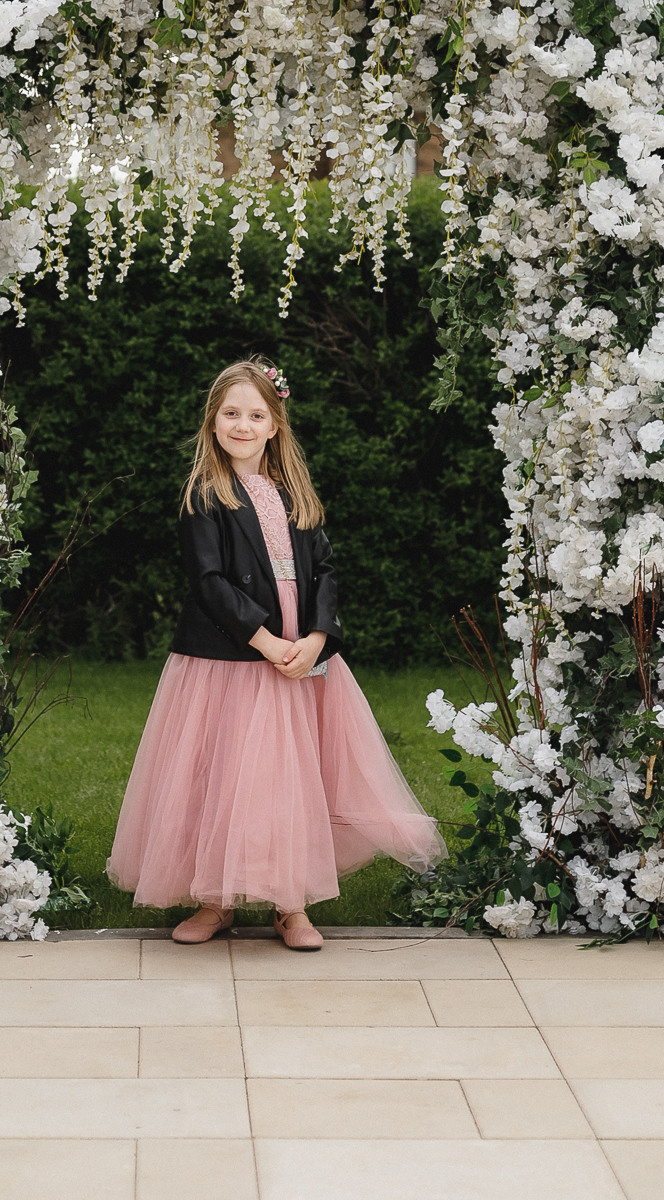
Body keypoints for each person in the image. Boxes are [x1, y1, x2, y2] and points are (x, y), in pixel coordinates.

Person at [107, 357, 446, 950]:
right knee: (224, 775)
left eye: (256, 415)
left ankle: (291, 905)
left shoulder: (296, 495)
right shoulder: (203, 496)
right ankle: (216, 900)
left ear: (275, 425)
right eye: (230, 413)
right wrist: (264, 640)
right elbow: (209, 581)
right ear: (212, 422)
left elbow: (325, 571)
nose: (243, 425)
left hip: (298, 655)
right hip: (231, 658)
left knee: (290, 777)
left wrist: (316, 638)